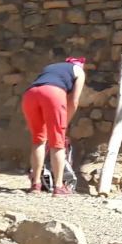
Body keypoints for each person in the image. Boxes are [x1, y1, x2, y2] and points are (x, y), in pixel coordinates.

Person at [22, 56, 86, 196]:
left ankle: (36, 184)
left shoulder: (51, 67)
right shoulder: (79, 71)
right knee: (57, 142)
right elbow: (74, 101)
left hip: (30, 95)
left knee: (38, 140)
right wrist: (65, 123)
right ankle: (58, 186)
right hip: (53, 94)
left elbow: (42, 84)